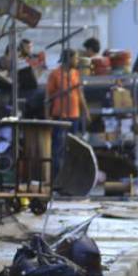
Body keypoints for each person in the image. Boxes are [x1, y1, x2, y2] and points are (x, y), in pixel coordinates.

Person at [45, 48, 90, 180]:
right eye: (75, 58)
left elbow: (80, 94)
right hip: (60, 116)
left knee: (71, 148)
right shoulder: (55, 74)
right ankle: (56, 178)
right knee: (58, 148)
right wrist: (47, 115)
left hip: (74, 116)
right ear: (69, 58)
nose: (77, 61)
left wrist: (85, 111)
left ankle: (68, 178)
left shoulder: (75, 73)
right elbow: (48, 96)